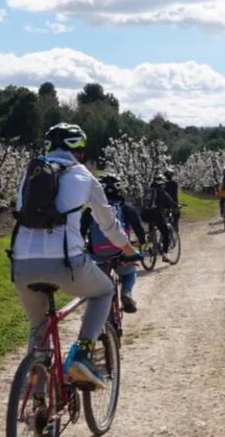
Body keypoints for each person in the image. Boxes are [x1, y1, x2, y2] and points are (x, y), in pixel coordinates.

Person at [10, 123, 138, 389]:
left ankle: (37, 394)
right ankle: (83, 353)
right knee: (103, 291)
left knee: (39, 326)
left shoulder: (29, 175)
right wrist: (127, 249)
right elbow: (108, 224)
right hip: (67, 262)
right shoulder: (84, 175)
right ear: (78, 150)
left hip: (21, 264)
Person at [90, 173, 146, 313]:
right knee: (129, 272)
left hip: (97, 253)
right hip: (121, 251)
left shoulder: (92, 210)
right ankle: (126, 293)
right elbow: (138, 228)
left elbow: (80, 230)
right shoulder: (126, 208)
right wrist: (141, 242)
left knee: (100, 279)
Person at [141, 174, 179, 251]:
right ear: (162, 184)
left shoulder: (148, 191)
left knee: (151, 225)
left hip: (145, 214)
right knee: (165, 232)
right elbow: (170, 202)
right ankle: (165, 253)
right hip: (157, 215)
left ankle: (151, 242)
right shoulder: (162, 192)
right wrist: (176, 206)